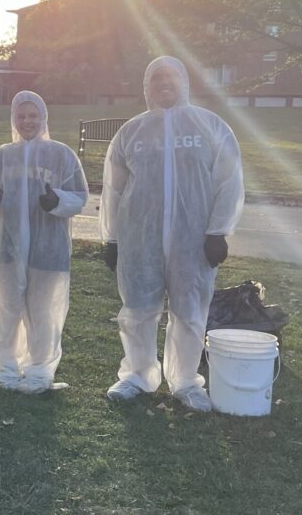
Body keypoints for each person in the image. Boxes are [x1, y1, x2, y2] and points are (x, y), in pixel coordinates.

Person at [101, 56, 244, 412]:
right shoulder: (131, 132)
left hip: (193, 240)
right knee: (137, 308)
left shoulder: (210, 126)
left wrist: (218, 231)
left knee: (190, 310)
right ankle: (137, 375)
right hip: (139, 239)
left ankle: (185, 381)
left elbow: (229, 180)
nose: (164, 83)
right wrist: (112, 238)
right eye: (157, 78)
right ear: (146, 86)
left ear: (184, 82)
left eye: (171, 77)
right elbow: (113, 190)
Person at [0, 91, 88, 393]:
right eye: (21, 116)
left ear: (43, 117)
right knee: (6, 311)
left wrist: (57, 200)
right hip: (4, 247)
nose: (27, 122)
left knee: (43, 313)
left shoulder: (61, 155)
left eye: (33, 115)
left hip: (48, 248)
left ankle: (39, 370)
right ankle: (7, 368)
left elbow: (79, 195)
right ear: (13, 119)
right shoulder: (0, 156)